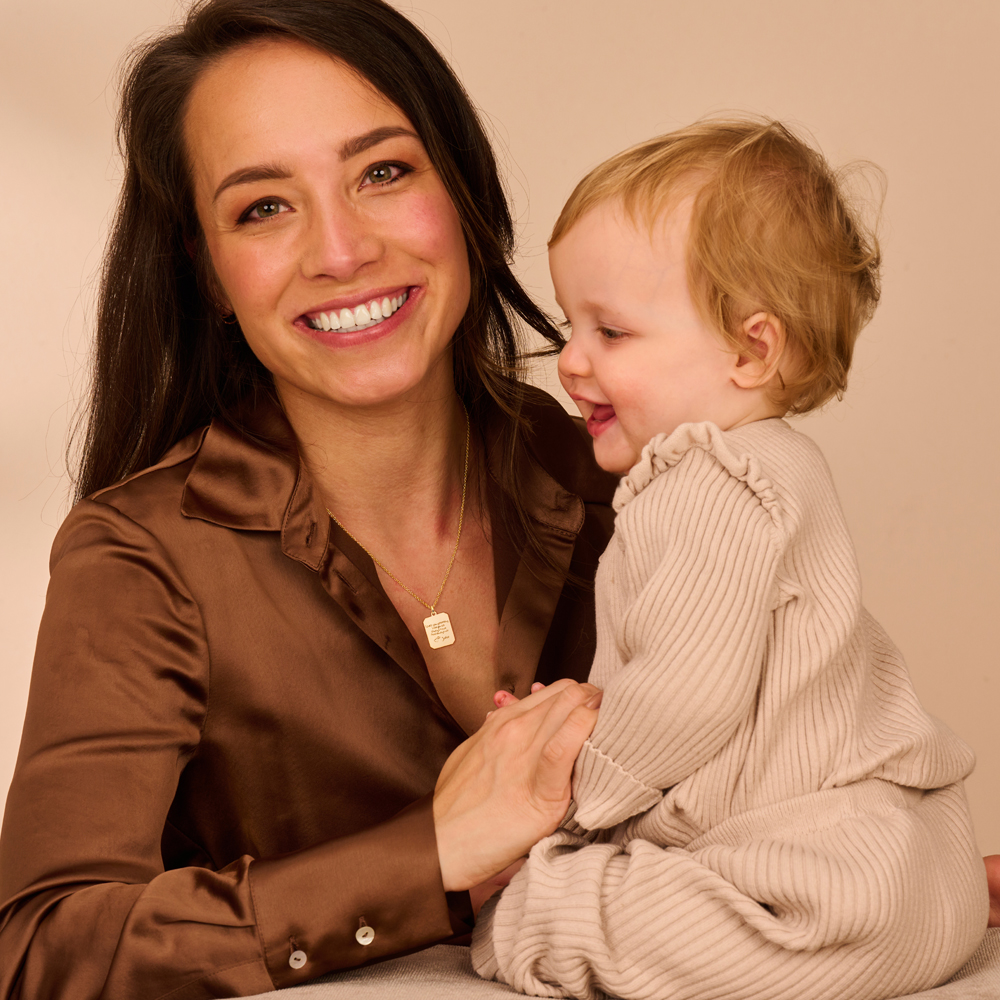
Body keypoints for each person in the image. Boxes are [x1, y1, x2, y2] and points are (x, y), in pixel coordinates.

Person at [0, 1, 619, 996]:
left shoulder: (594, 462)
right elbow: (42, 945)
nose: (339, 251)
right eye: (263, 206)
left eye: (382, 172)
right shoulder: (141, 554)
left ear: (460, 188)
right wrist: (430, 855)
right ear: (207, 270)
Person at [471, 119, 990, 1000]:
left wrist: (569, 804)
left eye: (613, 333)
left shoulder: (712, 483)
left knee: (620, 911)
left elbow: (685, 690)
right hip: (913, 856)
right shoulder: (777, 465)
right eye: (571, 325)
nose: (573, 363)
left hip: (820, 871)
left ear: (752, 349)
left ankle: (539, 913)